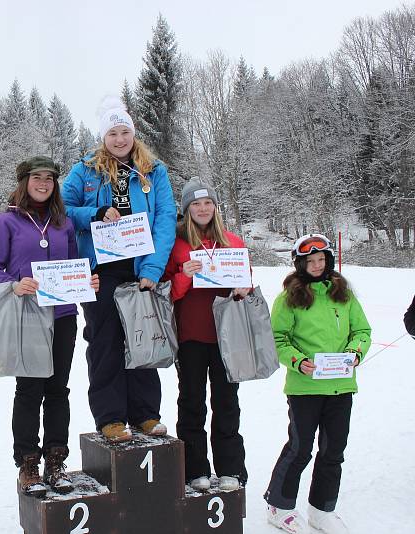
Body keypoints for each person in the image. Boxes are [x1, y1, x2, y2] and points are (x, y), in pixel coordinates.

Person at [0, 156, 100, 496]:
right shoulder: (6, 222)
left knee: (58, 389)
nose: (44, 183)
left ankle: (55, 459)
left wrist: (86, 280)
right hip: (28, 316)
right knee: (30, 390)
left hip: (62, 316)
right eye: (37, 177)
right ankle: (28, 462)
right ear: (24, 181)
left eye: (49, 178)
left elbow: (76, 264)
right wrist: (15, 283)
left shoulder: (63, 223)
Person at [61, 98, 176, 441]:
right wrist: (94, 212)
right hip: (102, 270)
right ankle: (110, 417)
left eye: (125, 131)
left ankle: (145, 414)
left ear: (133, 133)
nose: (120, 138)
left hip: (141, 267)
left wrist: (154, 269)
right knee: (105, 341)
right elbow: (63, 209)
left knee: (142, 339)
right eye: (112, 133)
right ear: (103, 137)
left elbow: (166, 219)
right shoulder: (85, 170)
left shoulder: (154, 171)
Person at [264, 234, 371, 534]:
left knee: (333, 450)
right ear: (300, 263)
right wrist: (298, 361)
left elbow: (362, 331)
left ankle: (322, 509)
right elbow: (278, 339)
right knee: (300, 448)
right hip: (305, 388)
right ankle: (279, 504)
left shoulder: (343, 294)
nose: (316, 265)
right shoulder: (288, 298)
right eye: (310, 261)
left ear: (329, 261)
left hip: (341, 386)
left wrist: (356, 351)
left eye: (321, 259)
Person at [162, 178, 250, 493]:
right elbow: (168, 293)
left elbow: (244, 283)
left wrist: (244, 287)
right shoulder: (177, 244)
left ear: (215, 207)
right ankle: (194, 467)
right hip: (191, 336)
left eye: (207, 203)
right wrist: (184, 275)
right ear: (186, 210)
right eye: (195, 204)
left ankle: (231, 468)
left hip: (226, 336)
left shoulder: (233, 241)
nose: (202, 209)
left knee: (227, 402)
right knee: (191, 403)